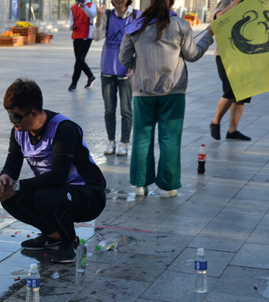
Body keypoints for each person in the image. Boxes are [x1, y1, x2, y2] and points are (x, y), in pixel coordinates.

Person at [0, 79, 106, 263]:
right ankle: (53, 235)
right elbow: (12, 164)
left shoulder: (63, 129)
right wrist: (5, 178)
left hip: (88, 194)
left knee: (44, 196)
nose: (12, 122)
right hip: (56, 191)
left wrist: (18, 185)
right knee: (7, 197)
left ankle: (71, 242)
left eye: (15, 117)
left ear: (34, 113)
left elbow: (58, 177)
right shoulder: (19, 131)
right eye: (9, 115)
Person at [119, 0, 214, 198]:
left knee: (141, 138)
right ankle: (169, 186)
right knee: (170, 138)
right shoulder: (180, 24)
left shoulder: (136, 25)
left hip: (143, 91)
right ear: (171, 2)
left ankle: (140, 185)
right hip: (174, 91)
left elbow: (124, 58)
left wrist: (136, 66)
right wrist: (208, 37)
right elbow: (192, 54)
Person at [93, 0, 140, 156]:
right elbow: (96, 37)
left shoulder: (135, 15)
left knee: (126, 110)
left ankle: (124, 143)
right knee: (109, 110)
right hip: (107, 69)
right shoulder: (106, 14)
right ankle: (111, 141)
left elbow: (140, 43)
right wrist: (99, 18)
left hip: (126, 70)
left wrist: (134, 65)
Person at [209, 0, 251, 141]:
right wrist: (236, 2)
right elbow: (218, 17)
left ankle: (232, 130)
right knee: (230, 90)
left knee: (243, 93)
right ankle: (215, 123)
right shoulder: (227, 1)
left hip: (246, 53)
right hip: (225, 54)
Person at [68, 0, 97, 92]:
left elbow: (92, 15)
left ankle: (74, 83)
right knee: (79, 60)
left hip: (87, 36)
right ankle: (91, 76)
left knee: (79, 60)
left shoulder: (91, 5)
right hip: (77, 36)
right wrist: (72, 26)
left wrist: (84, 6)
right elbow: (71, 22)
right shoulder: (73, 7)